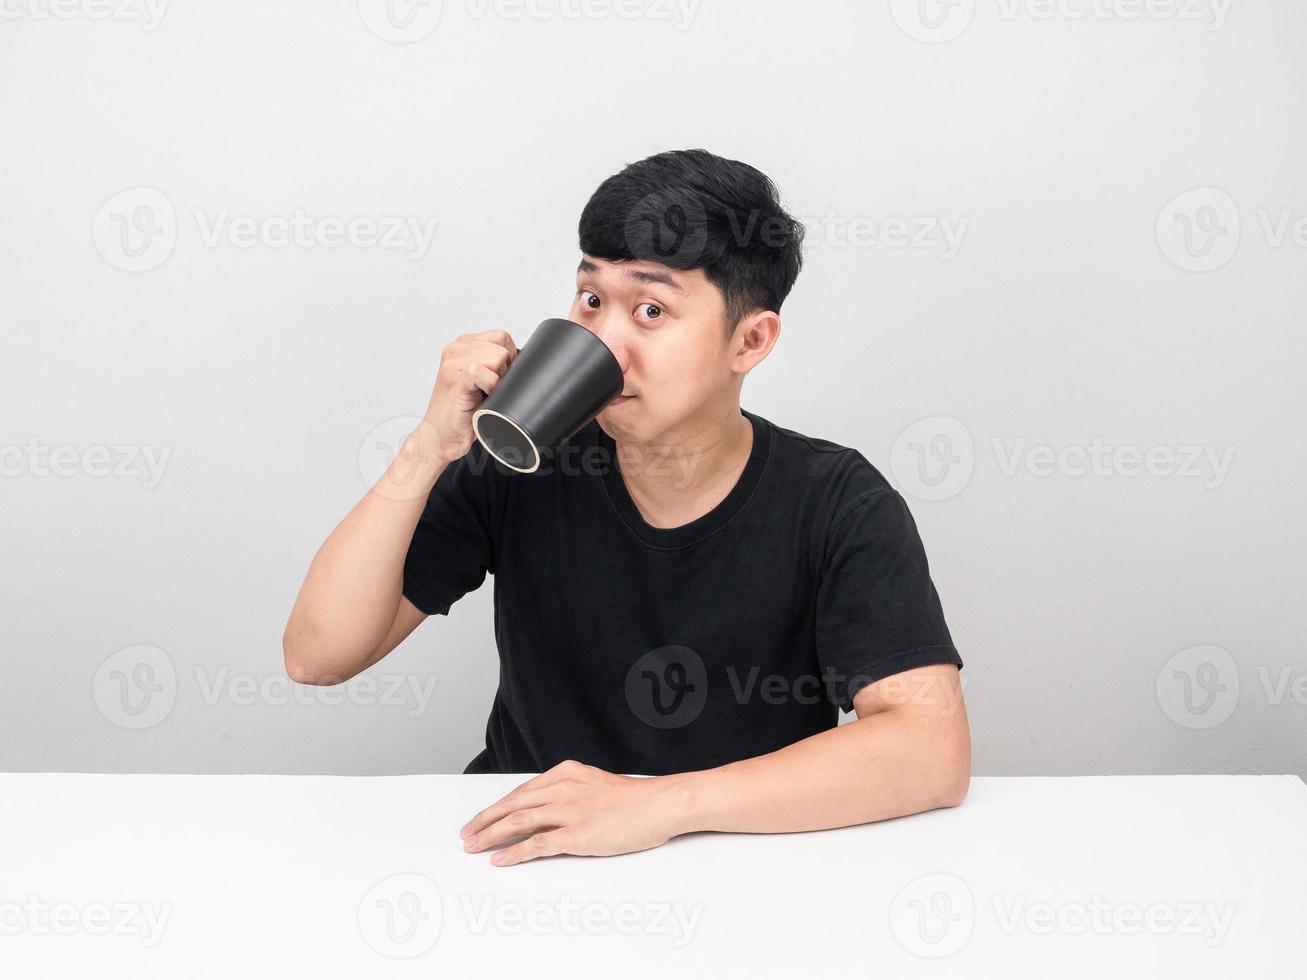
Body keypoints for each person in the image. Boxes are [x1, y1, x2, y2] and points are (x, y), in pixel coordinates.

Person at [282, 148, 970, 866]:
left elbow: (930, 747)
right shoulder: (520, 463)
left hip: (742, 856)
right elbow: (319, 656)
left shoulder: (834, 500)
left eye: (650, 309)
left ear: (750, 340)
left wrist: (662, 806)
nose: (605, 339)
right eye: (590, 299)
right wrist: (429, 446)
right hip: (524, 850)